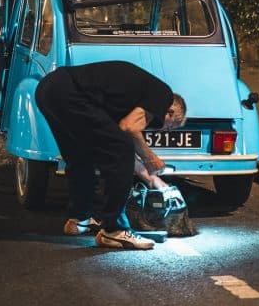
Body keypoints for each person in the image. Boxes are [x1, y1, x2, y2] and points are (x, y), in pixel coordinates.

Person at [35, 60, 187, 251]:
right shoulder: (162, 94)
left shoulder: (125, 104)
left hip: (48, 89)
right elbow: (129, 129)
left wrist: (151, 178)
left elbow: (118, 142)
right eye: (170, 126)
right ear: (171, 112)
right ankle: (114, 230)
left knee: (82, 155)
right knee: (121, 147)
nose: (164, 130)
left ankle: (79, 219)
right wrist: (151, 158)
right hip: (68, 92)